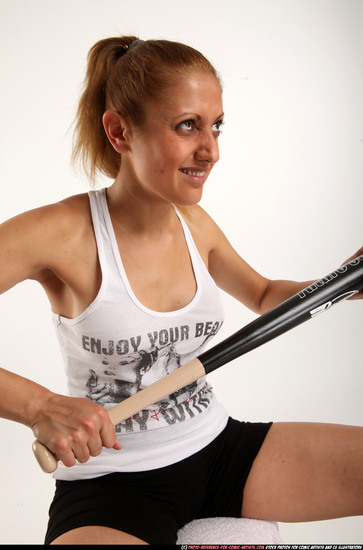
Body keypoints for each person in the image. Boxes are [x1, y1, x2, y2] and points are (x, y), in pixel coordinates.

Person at [0, 36, 362, 546]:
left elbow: (262, 294)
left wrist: (343, 284)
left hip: (217, 450)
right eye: (187, 125)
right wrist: (38, 406)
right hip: (112, 487)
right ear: (120, 131)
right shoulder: (59, 233)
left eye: (216, 125)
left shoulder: (194, 223)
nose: (211, 150)